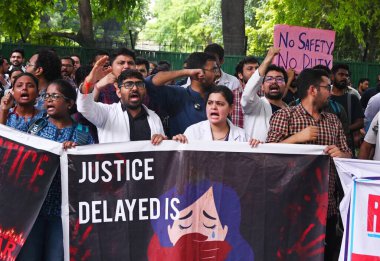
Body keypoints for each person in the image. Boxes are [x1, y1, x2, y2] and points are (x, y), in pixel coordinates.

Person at [266, 68, 351, 261]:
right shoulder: (285, 116)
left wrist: (341, 154)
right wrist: (297, 138)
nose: (330, 92)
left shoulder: (333, 120)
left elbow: (348, 154)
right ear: (313, 90)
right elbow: (268, 152)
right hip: (291, 205)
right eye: (327, 87)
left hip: (326, 207)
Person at [17, 79, 94, 261]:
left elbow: (92, 169)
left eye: (55, 96)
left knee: (57, 256)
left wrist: (76, 153)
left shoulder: (82, 133)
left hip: (64, 214)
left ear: (69, 103)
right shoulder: (35, 127)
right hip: (32, 211)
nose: (49, 100)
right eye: (47, 96)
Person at [148, 180, 254, 261]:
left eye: (209, 225)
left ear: (225, 231)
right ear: (169, 231)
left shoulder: (239, 255)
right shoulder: (159, 254)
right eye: (184, 226)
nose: (197, 232)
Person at [77, 56, 166, 144]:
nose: (135, 88)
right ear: (119, 92)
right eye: (128, 84)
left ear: (145, 91)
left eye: (139, 84)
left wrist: (162, 140)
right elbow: (84, 106)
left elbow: (162, 152)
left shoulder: (154, 118)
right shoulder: (106, 113)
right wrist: (90, 82)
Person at [146, 52, 219, 137]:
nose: (217, 74)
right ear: (199, 73)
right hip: (183, 149)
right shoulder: (178, 94)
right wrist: (186, 72)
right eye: (214, 70)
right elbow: (149, 83)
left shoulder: (219, 98)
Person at [241, 47, 288, 142]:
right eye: (269, 79)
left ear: (285, 85)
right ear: (262, 86)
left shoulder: (290, 110)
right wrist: (268, 58)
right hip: (255, 156)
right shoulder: (255, 105)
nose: (274, 82)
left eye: (279, 79)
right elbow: (248, 94)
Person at [173, 85, 248, 142]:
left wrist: (256, 146)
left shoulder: (243, 137)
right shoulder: (192, 132)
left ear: (231, 108)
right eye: (210, 103)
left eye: (220, 104)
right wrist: (177, 143)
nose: (213, 107)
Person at [231, 56, 260, 128]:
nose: (255, 72)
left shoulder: (266, 95)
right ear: (240, 75)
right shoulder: (231, 96)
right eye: (250, 69)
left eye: (257, 68)